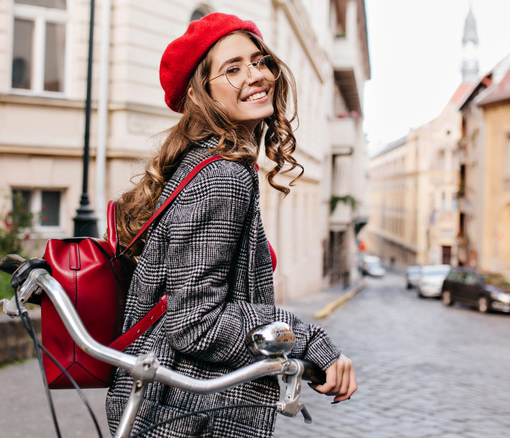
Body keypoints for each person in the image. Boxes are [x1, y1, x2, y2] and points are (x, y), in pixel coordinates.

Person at [107, 12, 357, 437]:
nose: (257, 76)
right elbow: (195, 323)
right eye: (233, 69)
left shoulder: (200, 163)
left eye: (259, 62)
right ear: (200, 93)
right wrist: (307, 340)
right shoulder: (223, 175)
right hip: (188, 417)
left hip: (166, 408)